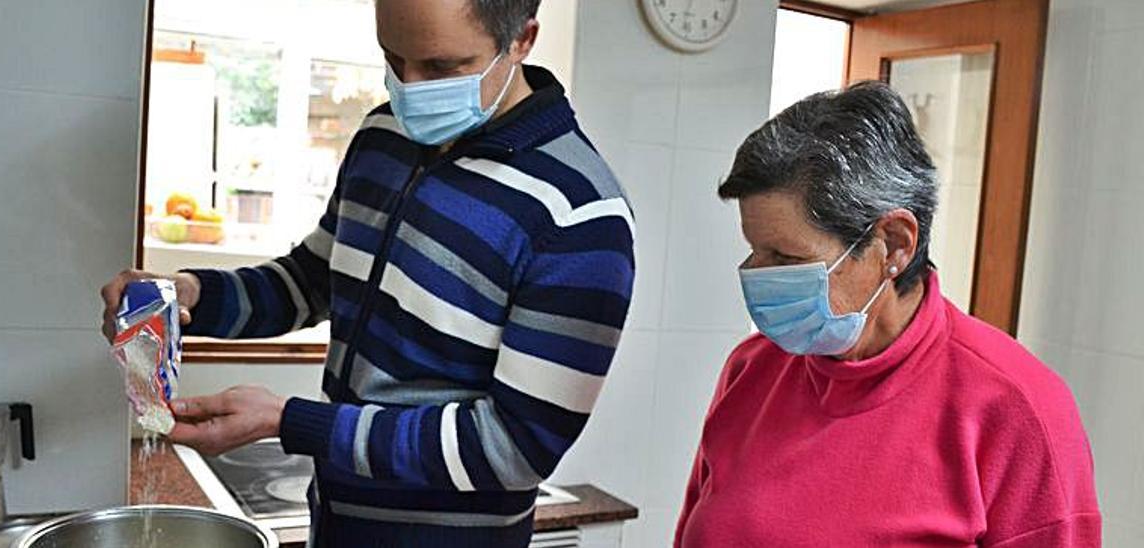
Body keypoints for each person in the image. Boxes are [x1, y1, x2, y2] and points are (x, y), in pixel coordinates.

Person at [101, 0, 635, 546]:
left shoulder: (580, 216)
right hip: (334, 526)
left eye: (442, 67)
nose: (410, 89)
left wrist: (291, 421)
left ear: (522, 40)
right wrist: (189, 295)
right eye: (393, 58)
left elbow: (512, 450)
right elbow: (312, 281)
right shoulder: (383, 135)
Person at [673, 82, 1100, 547]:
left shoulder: (1016, 409)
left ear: (894, 244)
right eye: (754, 251)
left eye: (785, 257)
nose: (756, 276)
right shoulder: (750, 370)